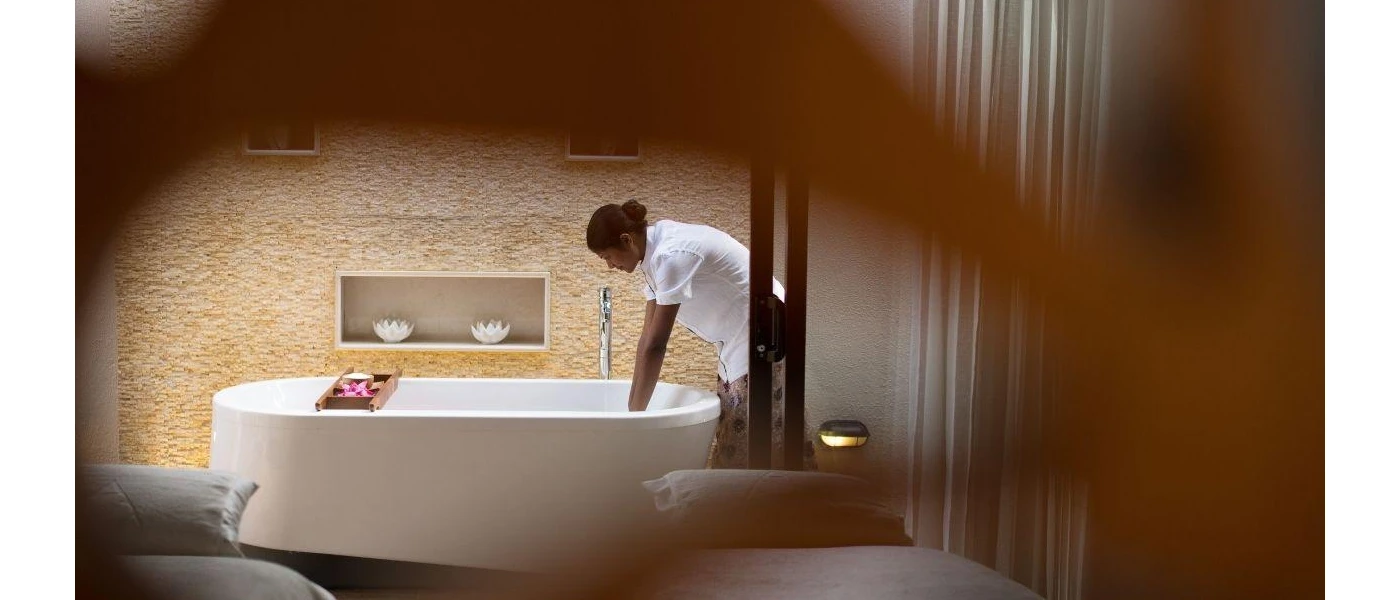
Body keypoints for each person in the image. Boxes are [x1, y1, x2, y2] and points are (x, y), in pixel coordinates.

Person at [586, 200, 817, 470]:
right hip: (738, 339)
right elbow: (646, 340)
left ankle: (773, 504)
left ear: (627, 240)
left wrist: (634, 423)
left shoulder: (670, 255)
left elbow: (657, 345)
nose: (610, 266)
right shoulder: (653, 255)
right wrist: (632, 416)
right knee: (739, 429)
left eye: (607, 257)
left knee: (749, 436)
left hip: (765, 331)